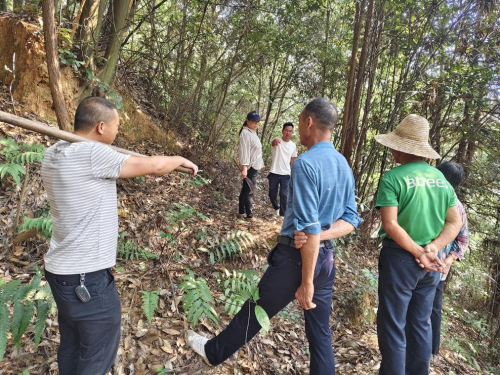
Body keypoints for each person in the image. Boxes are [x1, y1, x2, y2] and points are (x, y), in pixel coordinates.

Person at [186, 98, 362, 374]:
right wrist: (324, 235)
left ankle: (213, 352)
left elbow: (310, 228)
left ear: (309, 122)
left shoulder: (305, 164)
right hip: (326, 261)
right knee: (320, 335)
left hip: (297, 260)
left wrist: (306, 282)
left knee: (255, 311)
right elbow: (351, 219)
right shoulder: (343, 165)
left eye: (301, 120)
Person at [41, 96, 198, 375]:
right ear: (101, 127)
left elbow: (137, 166)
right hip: (86, 280)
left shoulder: (53, 152)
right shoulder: (92, 154)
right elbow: (153, 167)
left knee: (73, 346)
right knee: (96, 357)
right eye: (116, 126)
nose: (118, 132)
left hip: (60, 272)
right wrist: (180, 159)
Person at [374, 114, 462, 375]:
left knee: (393, 324)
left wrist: (417, 252)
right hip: (430, 266)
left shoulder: (393, 178)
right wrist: (433, 248)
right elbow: (454, 223)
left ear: (400, 147)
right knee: (420, 324)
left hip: (401, 259)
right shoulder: (441, 181)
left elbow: (390, 225)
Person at [431, 162, 469, 356]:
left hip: (430, 265)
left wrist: (449, 259)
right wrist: (450, 259)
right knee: (432, 309)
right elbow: (463, 238)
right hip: (437, 267)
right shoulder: (459, 206)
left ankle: (430, 350)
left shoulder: (449, 203)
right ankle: (430, 351)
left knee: (430, 310)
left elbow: (463, 238)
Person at [268, 122, 298, 217]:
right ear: (282, 131)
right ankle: (276, 208)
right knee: (272, 194)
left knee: (284, 195)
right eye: (286, 130)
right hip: (274, 172)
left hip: (286, 174)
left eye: (290, 131)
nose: (288, 133)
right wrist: (275, 140)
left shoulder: (293, 145)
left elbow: (292, 160)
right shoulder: (277, 141)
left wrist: (293, 172)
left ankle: (282, 215)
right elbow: (273, 143)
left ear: (292, 132)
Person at [238, 110, 264, 219]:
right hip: (250, 167)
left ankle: (241, 212)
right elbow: (244, 151)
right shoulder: (245, 133)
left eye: (257, 122)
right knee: (249, 190)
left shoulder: (252, 132)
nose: (256, 124)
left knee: (245, 189)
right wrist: (244, 168)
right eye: (254, 121)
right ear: (247, 121)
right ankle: (249, 215)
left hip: (254, 166)